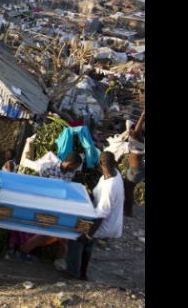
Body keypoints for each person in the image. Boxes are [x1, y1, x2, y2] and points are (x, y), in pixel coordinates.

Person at [67, 151, 125, 280]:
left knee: (76, 238)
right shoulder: (113, 175)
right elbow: (98, 197)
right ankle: (82, 274)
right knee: (88, 245)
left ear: (100, 163)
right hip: (104, 220)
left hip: (103, 224)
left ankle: (72, 274)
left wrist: (88, 234)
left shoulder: (111, 186)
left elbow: (101, 215)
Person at [123, 111, 145, 217]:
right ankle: (127, 207)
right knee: (126, 187)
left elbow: (136, 132)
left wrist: (142, 116)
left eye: (133, 128)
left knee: (129, 189)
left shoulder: (139, 139)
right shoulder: (136, 139)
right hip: (135, 169)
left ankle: (128, 211)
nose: (131, 130)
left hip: (136, 170)